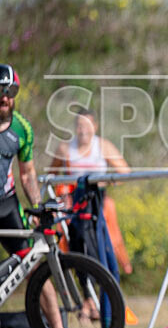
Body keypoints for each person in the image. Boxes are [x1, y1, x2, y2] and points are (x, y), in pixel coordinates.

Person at [0, 64, 65, 328]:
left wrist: (37, 206)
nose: (5, 97)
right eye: (0, 91)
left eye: (11, 91)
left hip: (6, 205)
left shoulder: (22, 128)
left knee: (34, 267)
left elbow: (27, 174)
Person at [48, 107, 133, 274]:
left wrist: (102, 182)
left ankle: (122, 266)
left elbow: (125, 172)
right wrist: (62, 190)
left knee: (109, 219)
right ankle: (66, 267)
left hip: (97, 199)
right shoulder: (65, 148)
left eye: (87, 125)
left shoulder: (103, 146)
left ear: (95, 126)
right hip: (74, 202)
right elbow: (51, 176)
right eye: (80, 125)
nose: (83, 130)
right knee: (59, 224)